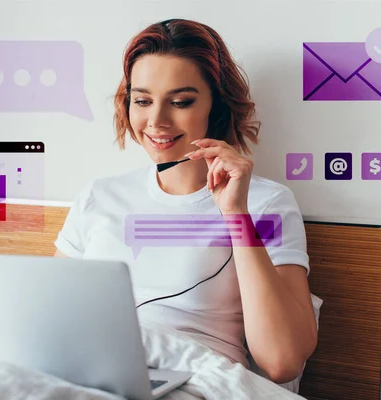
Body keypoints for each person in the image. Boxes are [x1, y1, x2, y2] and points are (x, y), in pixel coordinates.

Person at [54, 18, 318, 386]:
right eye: (143, 100)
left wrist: (235, 213)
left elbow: (282, 361)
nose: (157, 121)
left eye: (180, 102)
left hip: (195, 382)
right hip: (92, 375)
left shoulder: (266, 203)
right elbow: (50, 316)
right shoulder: (99, 196)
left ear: (216, 105)